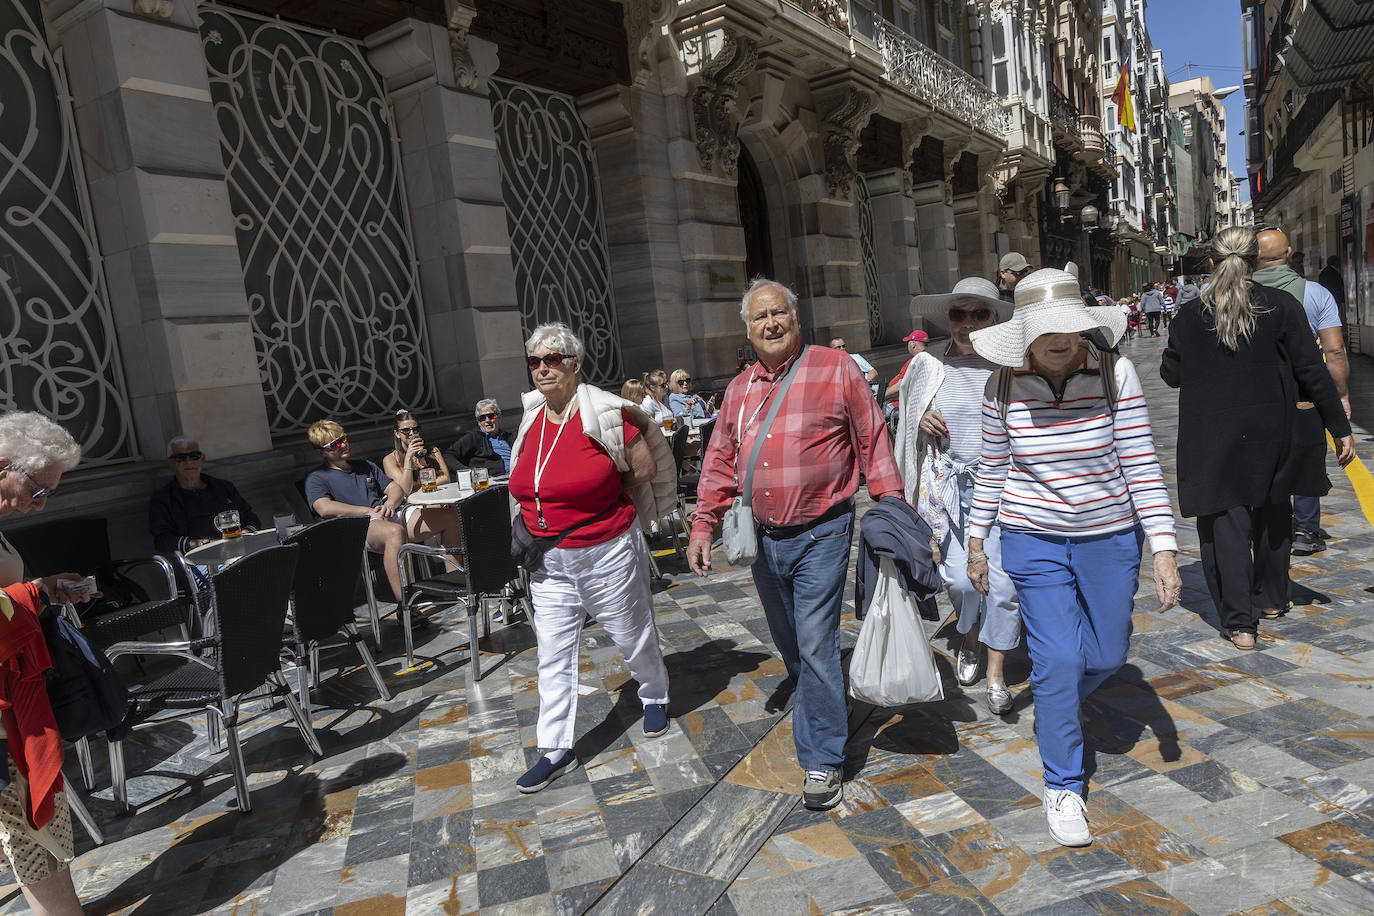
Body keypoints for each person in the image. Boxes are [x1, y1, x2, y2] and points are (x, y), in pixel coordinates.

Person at [964, 268, 1182, 847]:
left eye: (1072, 326)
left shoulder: (1117, 373)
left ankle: (1057, 702)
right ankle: (1062, 783)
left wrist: (1164, 550)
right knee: (1057, 659)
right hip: (1031, 536)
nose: (1062, 338)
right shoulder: (1001, 387)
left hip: (1110, 537)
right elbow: (992, 468)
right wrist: (977, 540)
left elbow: (1140, 461)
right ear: (1025, 336)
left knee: (1109, 651)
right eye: (1047, 330)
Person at [689, 279, 902, 811]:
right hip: (764, 541)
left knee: (815, 643)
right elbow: (718, 459)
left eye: (777, 312)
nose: (769, 323)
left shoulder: (835, 369)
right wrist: (702, 524)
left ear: (796, 317)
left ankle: (822, 758)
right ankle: (819, 700)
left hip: (823, 531)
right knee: (792, 644)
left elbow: (872, 437)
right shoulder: (738, 390)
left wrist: (891, 506)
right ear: (747, 328)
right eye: (758, 317)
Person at [1161, 228, 1355, 650]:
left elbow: (1171, 375)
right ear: (1256, 262)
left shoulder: (1189, 316)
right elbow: (1312, 370)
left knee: (1225, 525)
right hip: (1274, 430)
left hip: (1210, 437)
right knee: (1273, 512)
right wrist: (1339, 427)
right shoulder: (1282, 306)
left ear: (1211, 263)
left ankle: (1240, 625)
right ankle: (1270, 598)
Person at [508, 322, 674, 793]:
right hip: (549, 562)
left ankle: (654, 694)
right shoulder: (533, 416)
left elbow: (642, 468)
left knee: (631, 634)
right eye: (535, 361)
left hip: (605, 551)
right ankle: (553, 749)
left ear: (574, 364)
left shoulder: (602, 412)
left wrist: (597, 501)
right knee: (552, 655)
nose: (541, 369)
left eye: (551, 360)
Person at [897, 277, 1019, 714]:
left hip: (1001, 488)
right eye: (958, 314)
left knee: (1002, 585)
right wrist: (921, 416)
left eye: (978, 313)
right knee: (960, 580)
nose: (967, 323)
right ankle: (969, 634)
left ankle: (996, 672)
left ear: (992, 318)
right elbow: (905, 418)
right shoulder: (927, 366)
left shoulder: (1007, 365)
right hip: (948, 489)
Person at [0, 411, 95, 916]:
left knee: (29, 818)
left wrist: (45, 590)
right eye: (37, 490)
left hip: (16, 693)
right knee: (27, 822)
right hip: (5, 703)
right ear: (2, 467)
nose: (40, 504)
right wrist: (36, 592)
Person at [1253, 226, 1351, 555]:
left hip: (1256, 390)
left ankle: (1268, 524)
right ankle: (1306, 529)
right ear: (1289, 254)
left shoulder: (1240, 294)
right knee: (1307, 455)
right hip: (1304, 390)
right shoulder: (1316, 293)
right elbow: (1335, 351)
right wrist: (1340, 396)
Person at [304, 420, 408, 604]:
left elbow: (396, 489)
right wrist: (367, 512)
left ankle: (458, 588)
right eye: (335, 444)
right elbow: (323, 507)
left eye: (343, 438)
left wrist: (390, 503)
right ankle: (406, 607)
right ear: (320, 452)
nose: (343, 444)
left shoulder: (364, 465)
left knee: (446, 517)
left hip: (388, 514)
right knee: (395, 532)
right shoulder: (317, 478)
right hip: (360, 527)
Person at [148, 436, 262, 553]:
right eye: (180, 458)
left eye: (194, 456)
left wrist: (245, 534)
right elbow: (162, 540)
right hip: (197, 560)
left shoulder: (224, 487)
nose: (188, 462)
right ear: (170, 463)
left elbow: (252, 518)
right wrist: (199, 544)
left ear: (202, 459)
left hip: (237, 551)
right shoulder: (163, 499)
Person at [383, 411, 464, 549]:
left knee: (458, 509)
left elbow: (446, 478)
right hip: (410, 509)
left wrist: (422, 488)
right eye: (406, 430)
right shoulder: (390, 460)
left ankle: (455, 558)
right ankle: (445, 559)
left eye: (415, 429)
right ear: (397, 433)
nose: (412, 433)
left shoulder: (432, 451)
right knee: (447, 513)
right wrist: (408, 459)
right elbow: (404, 491)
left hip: (436, 500)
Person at [444, 399, 514, 474]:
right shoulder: (473, 437)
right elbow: (448, 455)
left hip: (514, 477)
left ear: (499, 416)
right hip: (492, 481)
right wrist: (468, 471)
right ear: (479, 422)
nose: (487, 420)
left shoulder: (508, 436)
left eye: (491, 416)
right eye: (482, 418)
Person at [882, 330, 930, 402]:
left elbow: (900, 386)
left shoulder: (914, 362)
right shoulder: (929, 359)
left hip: (899, 405)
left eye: (908, 342)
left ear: (913, 344)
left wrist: (880, 396)